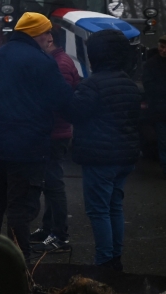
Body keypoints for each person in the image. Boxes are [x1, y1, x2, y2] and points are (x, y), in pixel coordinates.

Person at [0, 12, 75, 262]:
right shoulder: (42, 63)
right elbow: (63, 101)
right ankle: (20, 267)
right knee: (19, 211)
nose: (50, 38)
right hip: (27, 150)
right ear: (35, 34)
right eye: (47, 32)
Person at [72, 30, 142, 271]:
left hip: (100, 157)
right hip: (125, 156)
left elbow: (76, 113)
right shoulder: (128, 83)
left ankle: (104, 262)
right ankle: (115, 258)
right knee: (114, 207)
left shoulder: (93, 84)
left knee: (98, 210)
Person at [30, 29, 80, 253]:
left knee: (53, 185)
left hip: (54, 133)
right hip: (56, 132)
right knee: (50, 184)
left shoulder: (58, 65)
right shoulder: (61, 61)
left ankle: (59, 234)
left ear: (50, 41)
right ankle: (47, 228)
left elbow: (57, 101)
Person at [142, 34, 166, 178]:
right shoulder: (151, 64)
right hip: (160, 109)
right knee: (163, 141)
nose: (164, 50)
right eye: (162, 47)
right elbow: (149, 86)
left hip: (159, 107)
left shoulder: (151, 64)